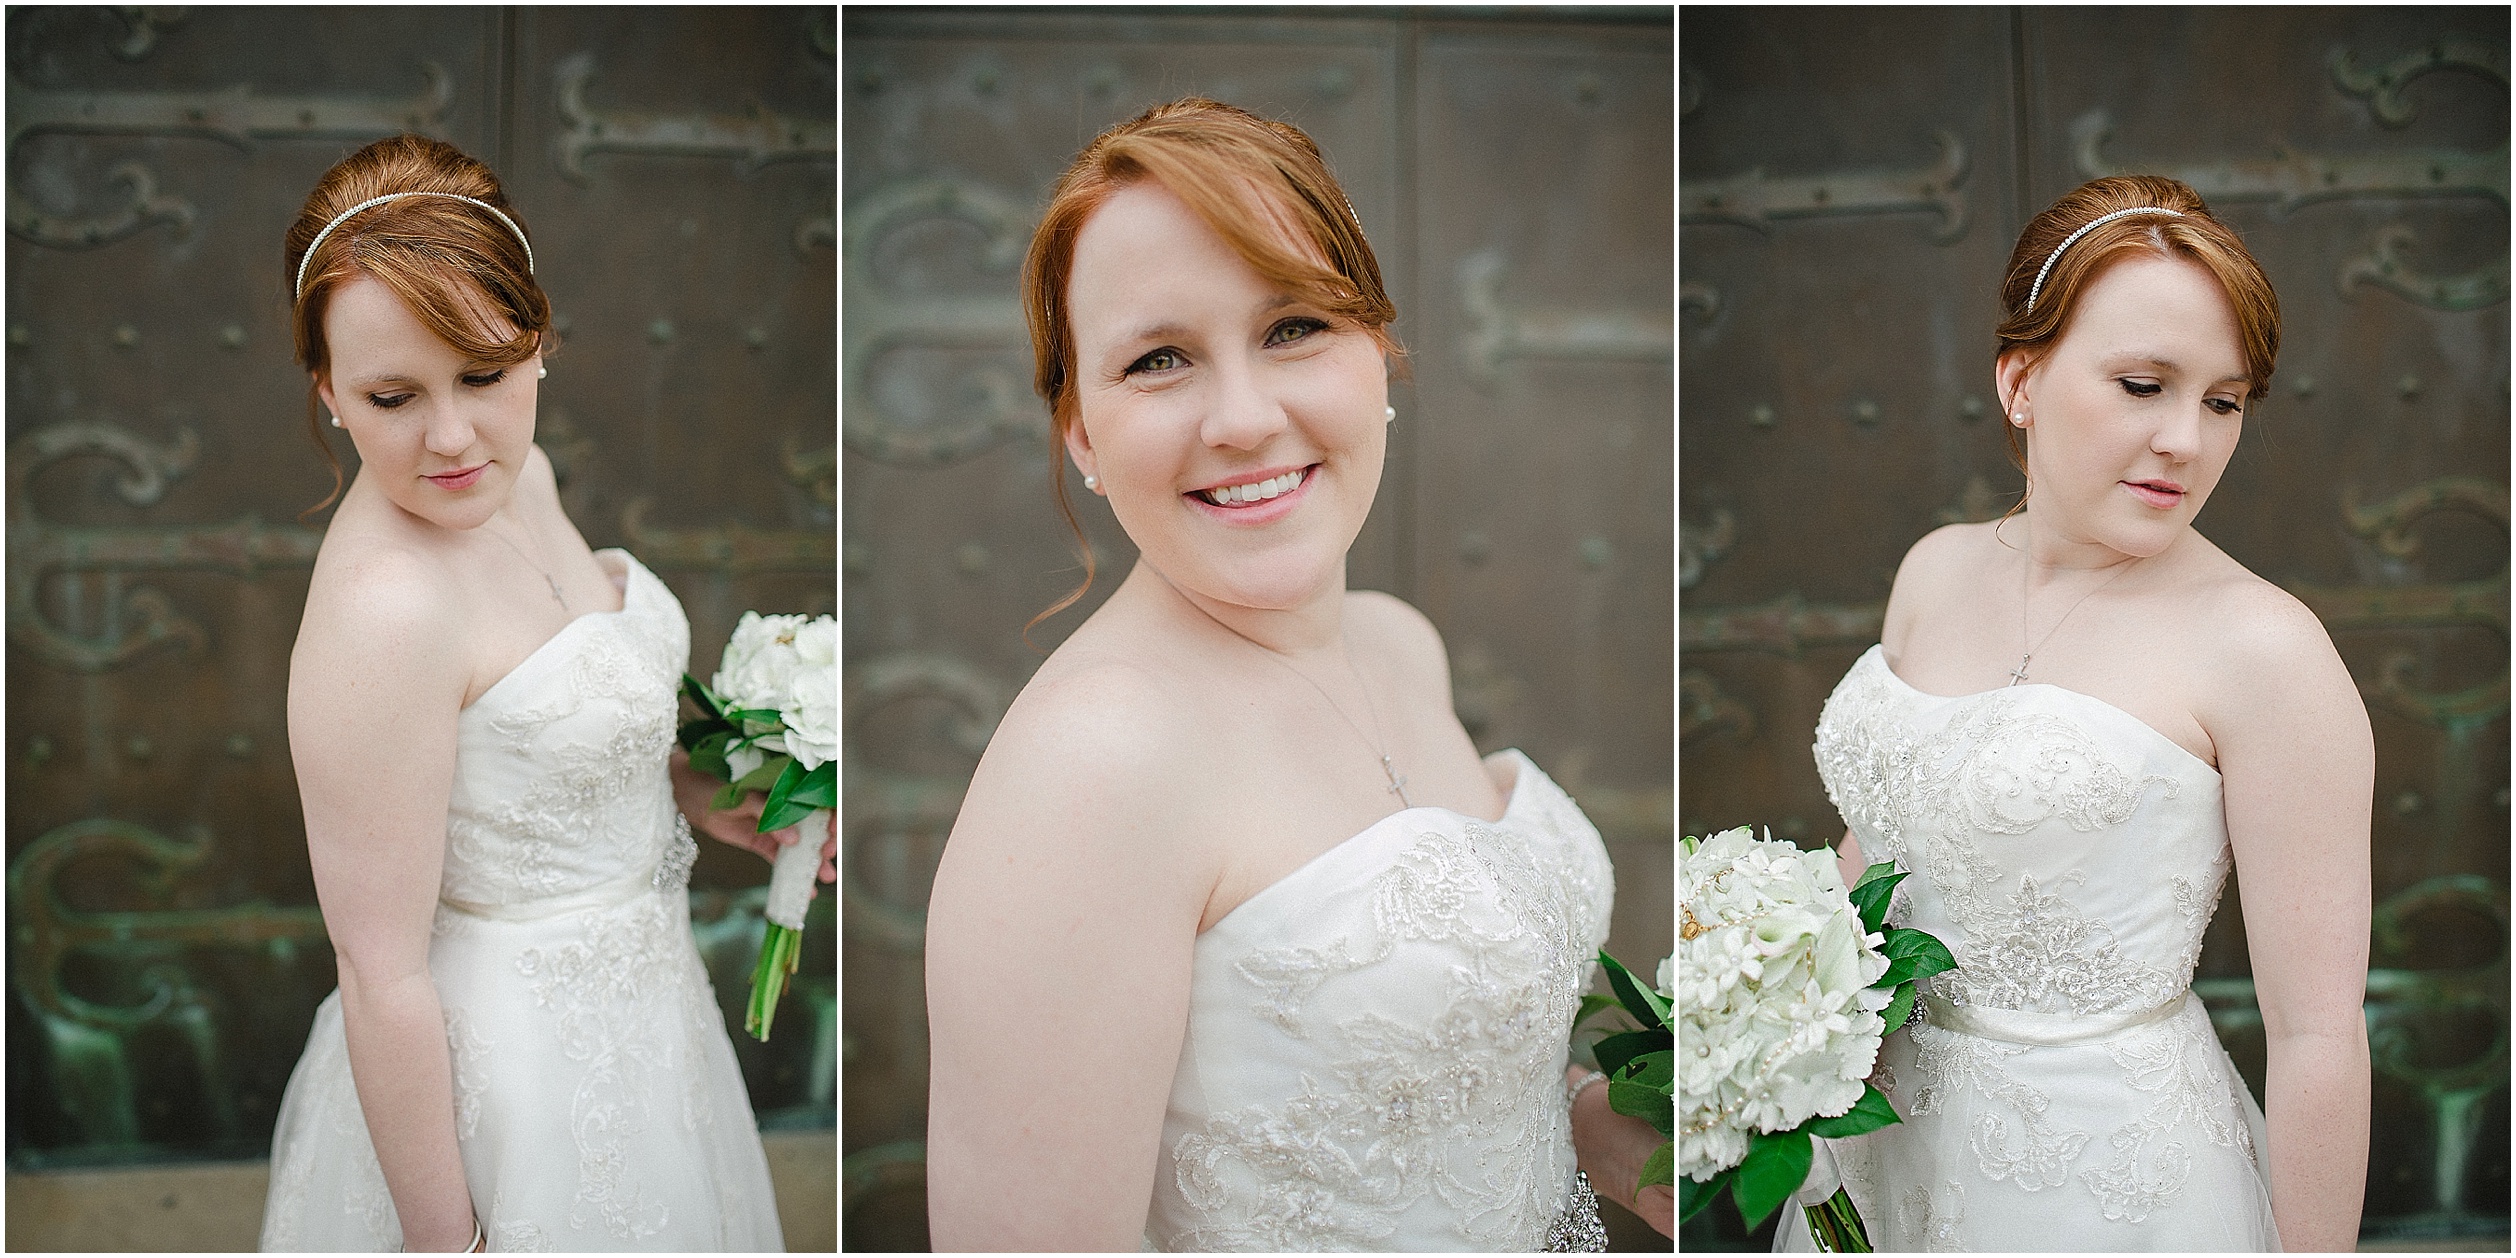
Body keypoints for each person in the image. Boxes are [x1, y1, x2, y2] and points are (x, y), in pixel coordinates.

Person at [922, 98, 1671, 1251]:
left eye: (1292, 328)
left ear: (1376, 348)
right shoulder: (1094, 761)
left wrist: (1592, 1120)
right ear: (1081, 431)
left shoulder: (1393, 642)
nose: (1242, 416)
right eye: (1158, 359)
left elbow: (1409, 1080)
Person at [257, 134, 833, 1251]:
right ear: (327, 390)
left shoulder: (521, 477)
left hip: (645, 1026)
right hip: (500, 1087)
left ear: (540, 343)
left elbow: (538, 735)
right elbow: (380, 974)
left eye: (484, 372)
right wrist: (448, 1237)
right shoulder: (386, 610)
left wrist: (694, 790)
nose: (454, 436)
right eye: (391, 395)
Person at [1792, 174, 2372, 1251]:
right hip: (1873, 1166)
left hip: (2106, 1187)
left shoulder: (2262, 648)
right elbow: (1889, 845)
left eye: (2220, 400)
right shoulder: (1932, 570)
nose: (2184, 443)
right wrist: (1774, 1025)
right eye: (2142, 384)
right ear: (2019, 379)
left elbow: (2315, 1033)